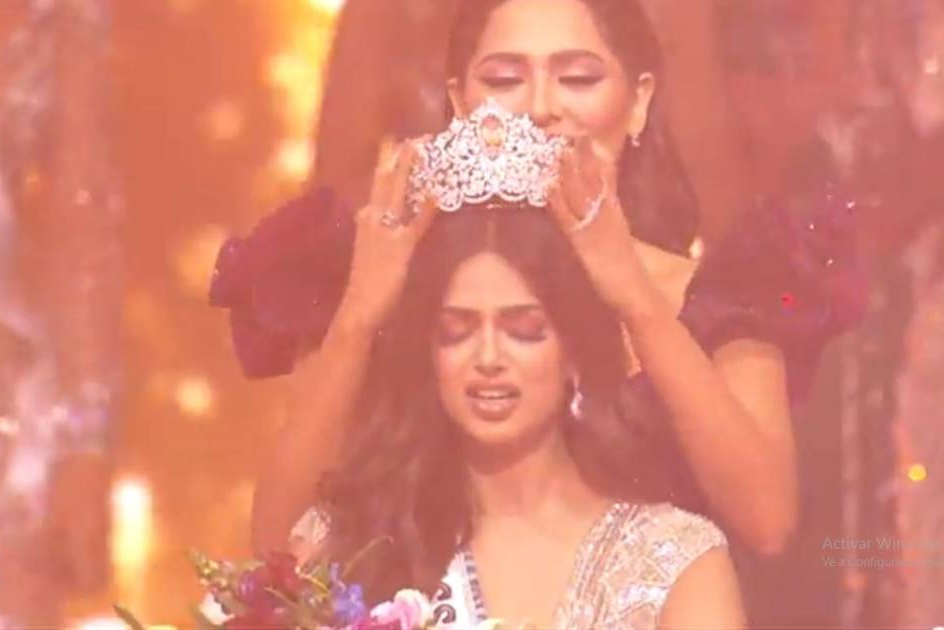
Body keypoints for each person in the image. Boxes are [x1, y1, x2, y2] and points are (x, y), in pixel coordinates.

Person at [215, 0, 863, 561]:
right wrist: (361, 313)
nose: (543, 107)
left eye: (578, 78)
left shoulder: (723, 297)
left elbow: (766, 521)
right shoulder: (375, 285)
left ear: (638, 102)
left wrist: (633, 294)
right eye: (504, 79)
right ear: (459, 103)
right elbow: (280, 546)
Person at [269, 103, 746, 628]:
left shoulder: (675, 561)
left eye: (525, 331)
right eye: (457, 332)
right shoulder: (352, 541)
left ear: (574, 349)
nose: (489, 359)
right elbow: (269, 557)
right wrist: (358, 316)